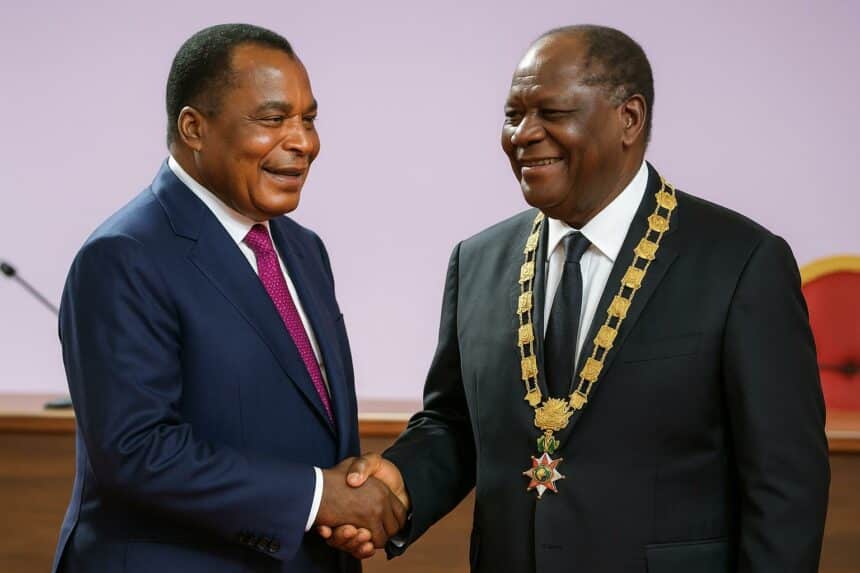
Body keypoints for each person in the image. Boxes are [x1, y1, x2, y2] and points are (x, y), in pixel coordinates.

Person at [322, 25, 830, 572]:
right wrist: (401, 482)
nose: (523, 134)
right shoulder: (477, 261)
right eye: (513, 114)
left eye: (552, 113)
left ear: (628, 118)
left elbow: (786, 486)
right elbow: (455, 424)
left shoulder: (741, 263)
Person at [53, 23, 405, 573]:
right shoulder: (124, 255)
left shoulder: (303, 249)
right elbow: (137, 452)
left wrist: (350, 500)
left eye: (309, 119)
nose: (303, 142)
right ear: (194, 128)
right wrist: (317, 498)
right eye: (273, 119)